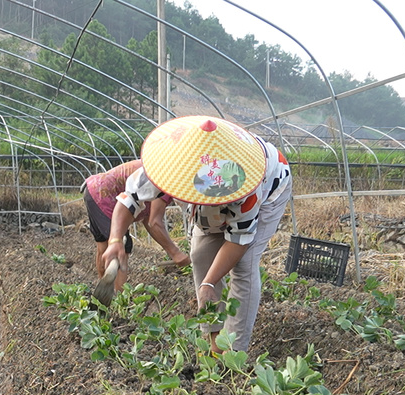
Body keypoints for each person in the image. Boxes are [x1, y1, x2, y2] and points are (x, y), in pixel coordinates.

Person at [103, 115, 292, 352]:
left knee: (243, 265)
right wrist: (115, 240)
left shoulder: (245, 188)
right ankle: (214, 344)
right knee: (201, 254)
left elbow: (238, 240)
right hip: (216, 187)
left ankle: (234, 354)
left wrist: (210, 283)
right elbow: (130, 198)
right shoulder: (169, 163)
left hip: (271, 184)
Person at [83, 159, 190, 291]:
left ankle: (103, 295)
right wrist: (176, 253)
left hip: (94, 190)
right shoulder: (169, 179)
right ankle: (119, 300)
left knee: (104, 245)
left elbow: (148, 220)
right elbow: (154, 222)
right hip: (105, 195)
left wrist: (173, 251)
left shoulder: (163, 164)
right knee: (120, 247)